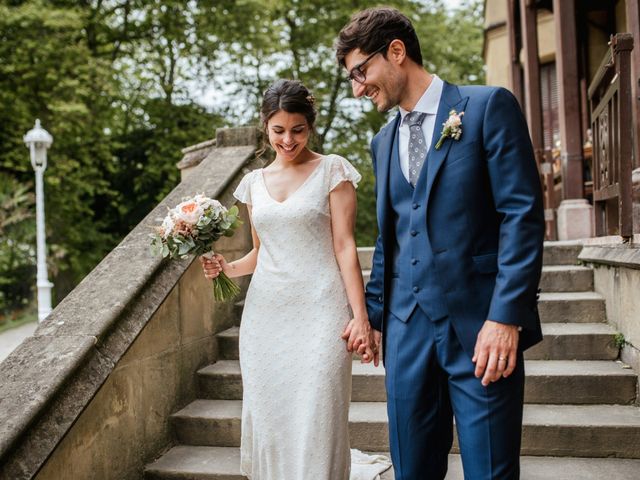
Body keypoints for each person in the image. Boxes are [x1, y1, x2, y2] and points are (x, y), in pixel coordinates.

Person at [335, 7, 545, 480]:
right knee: (411, 470)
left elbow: (522, 216)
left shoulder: (488, 106)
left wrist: (505, 317)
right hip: (407, 333)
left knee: (490, 471)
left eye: (360, 72)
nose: (357, 88)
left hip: (480, 329)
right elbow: (391, 237)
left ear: (396, 51)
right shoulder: (383, 142)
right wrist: (371, 316)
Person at [201, 79, 391, 480]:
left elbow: (344, 247)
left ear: (310, 126)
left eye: (298, 130)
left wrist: (361, 317)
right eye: (279, 130)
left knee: (319, 412)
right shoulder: (253, 184)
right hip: (266, 316)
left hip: (321, 309)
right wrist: (226, 268)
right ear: (265, 127)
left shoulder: (332, 170)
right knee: (272, 415)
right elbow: (259, 252)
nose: (288, 140)